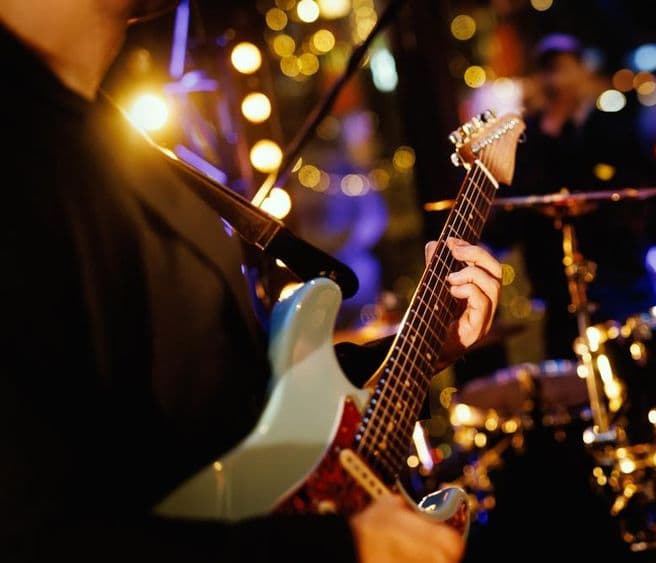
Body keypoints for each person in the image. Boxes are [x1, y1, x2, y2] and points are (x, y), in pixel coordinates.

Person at [0, 2, 501, 562]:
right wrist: (342, 547)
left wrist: (416, 345)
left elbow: (235, 403)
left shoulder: (114, 144)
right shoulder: (25, 163)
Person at [487, 34, 656, 358]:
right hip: (560, 298)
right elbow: (514, 210)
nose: (555, 81)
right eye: (547, 72)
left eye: (562, 69)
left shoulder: (613, 130)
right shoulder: (529, 141)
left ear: (581, 71)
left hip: (622, 286)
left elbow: (653, 203)